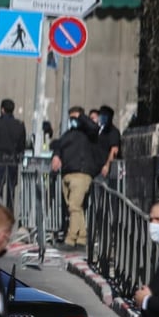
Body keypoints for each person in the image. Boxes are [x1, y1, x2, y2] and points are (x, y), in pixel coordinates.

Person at [50, 106, 99, 250]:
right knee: (76, 209)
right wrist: (56, 156)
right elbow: (59, 145)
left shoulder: (88, 133)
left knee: (74, 206)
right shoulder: (68, 135)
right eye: (71, 118)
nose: (73, 121)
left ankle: (70, 240)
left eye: (75, 118)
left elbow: (94, 128)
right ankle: (82, 239)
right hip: (67, 173)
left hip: (81, 173)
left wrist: (81, 117)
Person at [0, 99, 27, 210]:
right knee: (11, 190)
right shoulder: (20, 125)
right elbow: (22, 145)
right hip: (13, 161)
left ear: (2, 110)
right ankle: (9, 214)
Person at [95, 105, 122, 179]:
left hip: (107, 169)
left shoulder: (113, 132)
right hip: (97, 168)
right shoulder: (99, 131)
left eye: (104, 115)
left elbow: (114, 150)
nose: (101, 117)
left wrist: (107, 165)